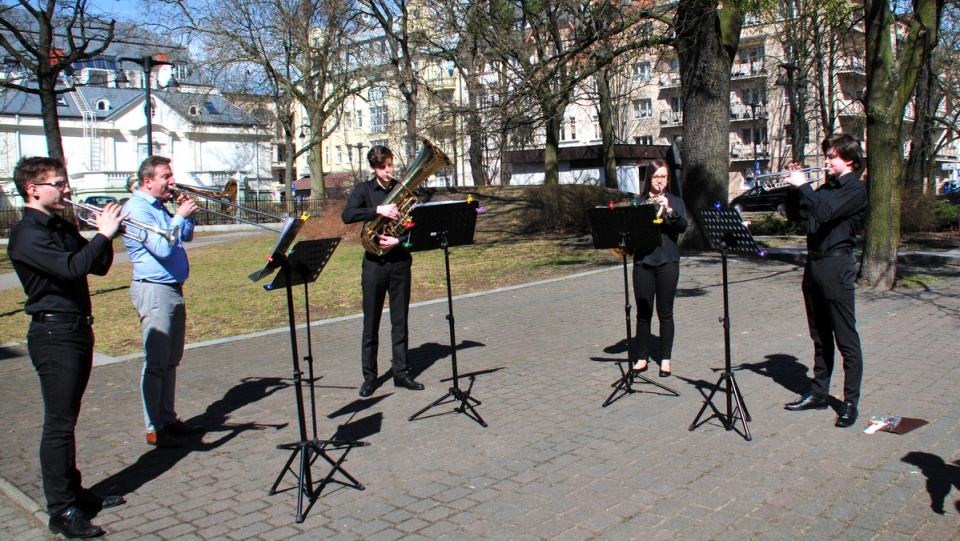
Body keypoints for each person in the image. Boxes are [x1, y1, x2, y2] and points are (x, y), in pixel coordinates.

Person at [7, 156, 127, 538]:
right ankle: (61, 510)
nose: (67, 189)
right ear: (33, 189)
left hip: (76, 330)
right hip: (53, 335)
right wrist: (103, 235)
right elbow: (72, 268)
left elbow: (97, 266)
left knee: (68, 420)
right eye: (58, 183)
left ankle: (75, 493)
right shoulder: (28, 234)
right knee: (58, 425)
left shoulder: (58, 224)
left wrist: (106, 234)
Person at [782, 133, 868, 428]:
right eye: (827, 156)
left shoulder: (855, 189)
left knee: (846, 339)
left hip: (837, 265)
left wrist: (805, 185)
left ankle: (849, 403)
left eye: (832, 156)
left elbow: (824, 211)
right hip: (814, 265)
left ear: (850, 160)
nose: (826, 161)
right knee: (819, 336)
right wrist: (793, 188)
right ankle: (818, 393)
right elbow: (798, 215)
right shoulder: (826, 187)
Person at [123, 156, 204, 448]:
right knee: (156, 362)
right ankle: (154, 427)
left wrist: (187, 216)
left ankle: (168, 419)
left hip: (172, 288)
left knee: (171, 361)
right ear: (148, 181)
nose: (172, 181)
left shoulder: (158, 207)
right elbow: (159, 246)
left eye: (171, 175)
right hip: (153, 289)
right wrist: (179, 215)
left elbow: (185, 237)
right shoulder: (136, 208)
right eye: (166, 176)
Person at [341, 145, 425, 397]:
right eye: (383, 167)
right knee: (371, 322)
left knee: (400, 321)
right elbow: (347, 215)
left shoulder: (404, 191)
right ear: (373, 168)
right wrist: (377, 210)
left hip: (399, 261)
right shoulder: (364, 190)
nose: (389, 171)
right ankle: (370, 377)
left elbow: (417, 223)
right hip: (374, 264)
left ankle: (400, 373)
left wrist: (399, 240)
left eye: (390, 165)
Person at [631, 159, 688, 378]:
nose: (660, 181)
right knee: (643, 313)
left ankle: (665, 359)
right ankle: (642, 357)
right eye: (656, 177)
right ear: (649, 179)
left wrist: (669, 210)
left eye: (663, 176)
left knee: (665, 312)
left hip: (667, 261)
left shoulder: (676, 201)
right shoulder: (640, 201)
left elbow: (682, 227)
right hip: (643, 261)